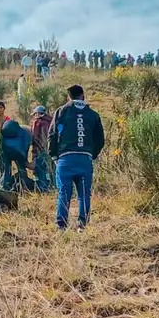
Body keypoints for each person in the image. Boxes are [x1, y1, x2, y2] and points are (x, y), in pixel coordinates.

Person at [49, 85, 105, 231]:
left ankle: (61, 225)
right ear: (83, 96)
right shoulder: (93, 114)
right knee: (84, 193)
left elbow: (52, 134)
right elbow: (100, 139)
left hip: (65, 159)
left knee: (64, 192)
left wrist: (54, 155)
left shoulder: (61, 111)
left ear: (68, 97)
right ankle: (82, 225)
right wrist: (93, 154)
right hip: (85, 159)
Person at [0, 116, 33, 191]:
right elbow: (26, 147)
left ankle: (4, 187)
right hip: (18, 152)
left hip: (6, 150)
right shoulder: (27, 133)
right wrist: (25, 161)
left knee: (6, 170)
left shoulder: (9, 131)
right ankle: (25, 186)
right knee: (22, 169)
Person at [31, 105, 53, 192]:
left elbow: (35, 136)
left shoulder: (37, 122)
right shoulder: (51, 121)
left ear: (38, 113)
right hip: (50, 149)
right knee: (50, 169)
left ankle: (43, 188)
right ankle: (51, 186)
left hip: (39, 149)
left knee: (40, 169)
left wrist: (35, 149)